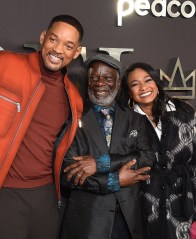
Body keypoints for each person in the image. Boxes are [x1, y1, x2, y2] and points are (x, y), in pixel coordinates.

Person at [0, 15, 84, 239]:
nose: (58, 50)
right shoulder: (5, 63)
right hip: (5, 191)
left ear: (76, 53)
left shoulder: (74, 98)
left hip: (45, 196)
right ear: (42, 38)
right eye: (53, 40)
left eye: (68, 46)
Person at [60, 54, 155, 239]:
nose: (99, 82)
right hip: (88, 221)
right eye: (94, 77)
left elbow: (147, 157)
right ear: (88, 82)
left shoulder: (135, 119)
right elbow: (67, 174)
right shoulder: (72, 119)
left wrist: (101, 163)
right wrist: (114, 181)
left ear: (118, 84)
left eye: (107, 78)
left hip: (129, 220)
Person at [119, 62, 196, 239]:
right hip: (142, 203)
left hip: (182, 201)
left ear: (157, 83)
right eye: (135, 84)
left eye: (148, 80)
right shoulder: (126, 120)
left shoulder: (184, 111)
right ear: (129, 91)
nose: (143, 87)